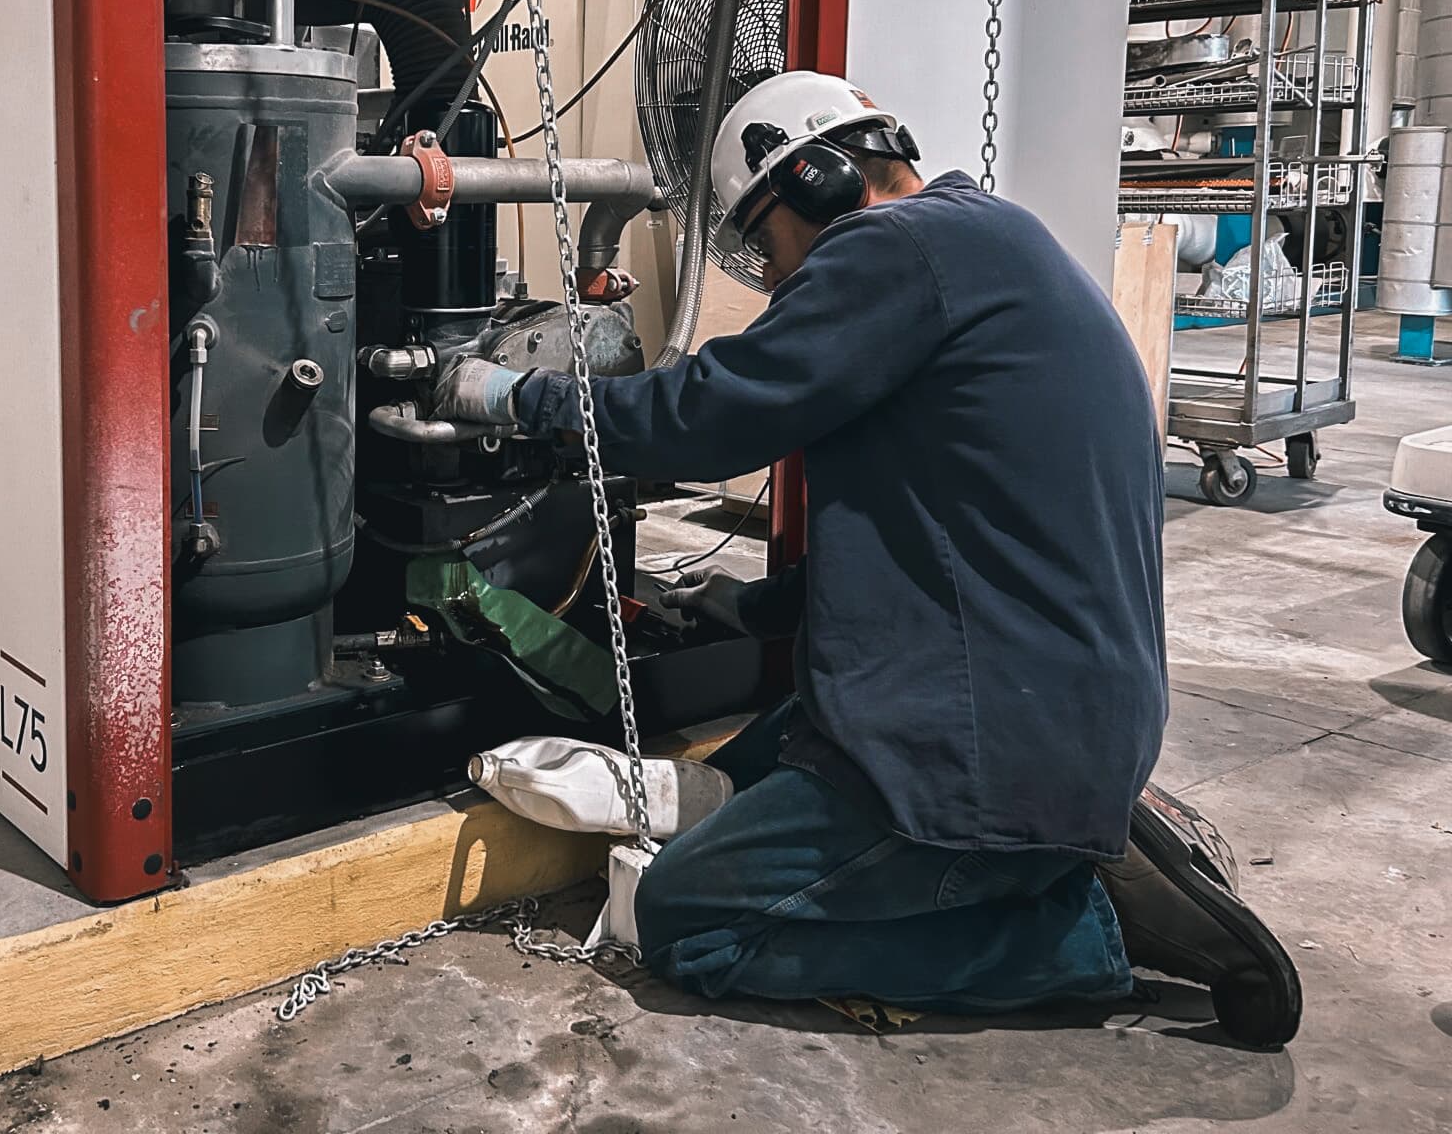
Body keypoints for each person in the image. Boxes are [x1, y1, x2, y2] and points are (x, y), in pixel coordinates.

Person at [432, 71, 1300, 1046]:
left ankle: (1085, 931)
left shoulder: (892, 249)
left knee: (685, 921)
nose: (770, 280)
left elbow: (705, 418)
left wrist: (513, 397)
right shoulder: (993, 246)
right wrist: (750, 609)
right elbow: (957, 529)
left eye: (763, 243)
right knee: (778, 746)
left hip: (987, 755)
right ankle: (1057, 843)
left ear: (815, 180)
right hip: (1048, 710)